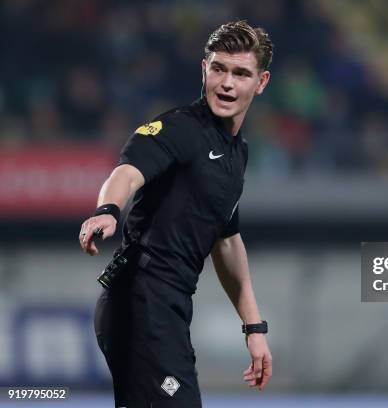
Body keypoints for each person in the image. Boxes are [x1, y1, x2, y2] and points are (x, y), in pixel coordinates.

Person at [78, 20, 273, 408]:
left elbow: (227, 239)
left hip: (168, 306)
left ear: (261, 82)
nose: (227, 83)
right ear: (204, 69)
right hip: (140, 297)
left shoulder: (237, 153)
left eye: (240, 73)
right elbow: (128, 171)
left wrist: (254, 327)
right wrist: (108, 209)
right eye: (219, 68)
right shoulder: (179, 129)